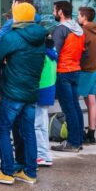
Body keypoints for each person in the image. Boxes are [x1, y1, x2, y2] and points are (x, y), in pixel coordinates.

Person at [0, 2, 44, 185]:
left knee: (3, 129)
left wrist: (4, 61)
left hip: (12, 90)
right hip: (31, 90)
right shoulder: (40, 36)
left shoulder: (12, 36)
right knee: (28, 131)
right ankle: (29, 172)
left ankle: (7, 171)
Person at [50, 0, 85, 154]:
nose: (53, 13)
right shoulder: (78, 29)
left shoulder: (61, 30)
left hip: (63, 70)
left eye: (54, 10)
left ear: (61, 12)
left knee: (68, 108)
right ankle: (78, 140)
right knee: (75, 107)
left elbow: (54, 53)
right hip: (75, 69)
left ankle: (73, 142)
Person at [77, 7, 96, 144]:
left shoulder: (83, 31)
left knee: (74, 101)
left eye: (79, 15)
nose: (78, 17)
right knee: (91, 102)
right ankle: (91, 133)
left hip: (85, 69)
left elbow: (79, 50)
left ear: (84, 17)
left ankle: (79, 131)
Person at [35, 36, 59, 166]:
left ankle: (40, 155)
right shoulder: (52, 52)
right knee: (42, 124)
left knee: (36, 125)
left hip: (41, 89)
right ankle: (46, 154)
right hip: (49, 88)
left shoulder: (41, 54)